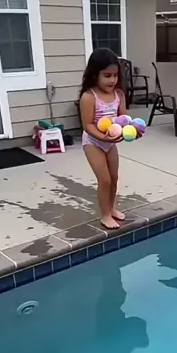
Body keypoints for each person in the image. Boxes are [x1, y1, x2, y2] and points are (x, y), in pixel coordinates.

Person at [79, 48, 127, 229]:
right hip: (93, 142)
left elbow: (123, 118)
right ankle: (105, 215)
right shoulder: (89, 97)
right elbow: (88, 125)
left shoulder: (119, 95)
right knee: (104, 179)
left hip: (109, 142)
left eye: (115, 75)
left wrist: (131, 130)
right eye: (107, 76)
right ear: (94, 75)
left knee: (114, 178)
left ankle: (111, 208)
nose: (112, 80)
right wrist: (104, 138)